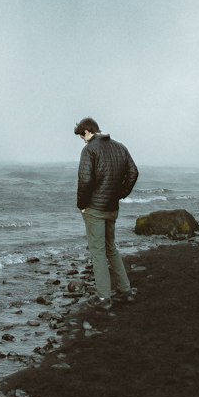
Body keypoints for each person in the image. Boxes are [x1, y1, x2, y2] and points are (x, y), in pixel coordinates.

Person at [73, 116, 138, 306]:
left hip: (94, 209)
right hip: (112, 208)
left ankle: (103, 297)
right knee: (111, 248)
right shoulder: (120, 147)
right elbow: (133, 172)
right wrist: (120, 194)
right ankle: (126, 290)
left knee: (98, 252)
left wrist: (81, 205)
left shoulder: (89, 150)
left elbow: (85, 181)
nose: (82, 140)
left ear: (87, 131)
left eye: (82, 136)